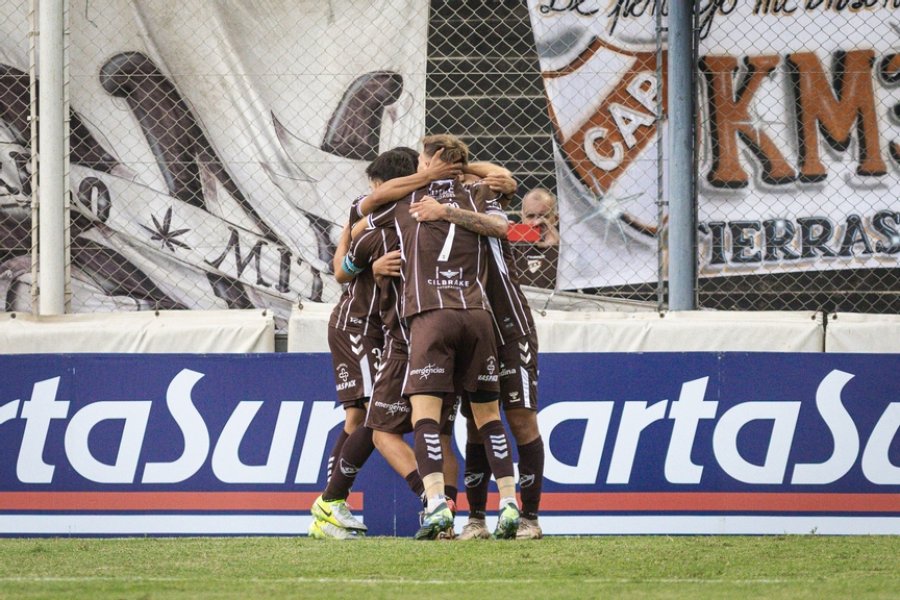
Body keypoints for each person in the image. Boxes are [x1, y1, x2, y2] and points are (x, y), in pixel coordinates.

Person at [366, 134, 521, 540]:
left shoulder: (407, 200)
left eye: (422, 158)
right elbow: (503, 225)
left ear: (431, 160)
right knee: (488, 417)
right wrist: (458, 188)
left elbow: (368, 203)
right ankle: (509, 503)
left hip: (431, 316)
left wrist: (436, 198)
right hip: (478, 315)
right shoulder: (479, 192)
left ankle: (436, 504)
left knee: (426, 417)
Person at [309, 149, 460, 540]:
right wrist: (368, 264)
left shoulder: (425, 218)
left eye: (375, 184)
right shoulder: (370, 222)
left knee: (398, 423)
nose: (373, 191)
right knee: (364, 420)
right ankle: (332, 504)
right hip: (360, 326)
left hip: (398, 333)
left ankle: (437, 506)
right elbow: (342, 271)